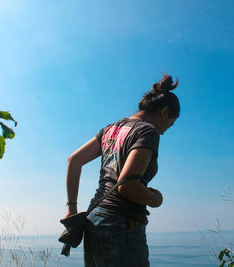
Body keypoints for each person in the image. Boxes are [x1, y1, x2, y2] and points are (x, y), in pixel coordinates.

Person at [63, 74, 180, 266]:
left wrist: (72, 209)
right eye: (170, 123)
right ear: (164, 112)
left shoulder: (111, 129)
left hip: (94, 221)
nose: (165, 130)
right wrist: (156, 199)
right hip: (121, 226)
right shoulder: (147, 131)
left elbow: (74, 161)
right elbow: (127, 186)